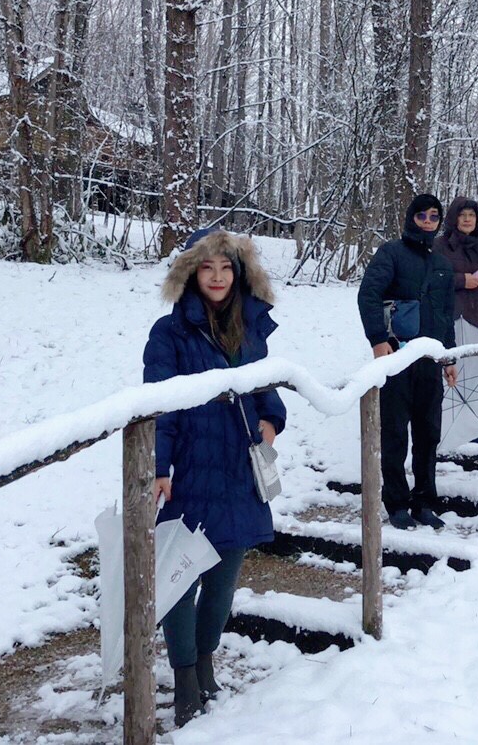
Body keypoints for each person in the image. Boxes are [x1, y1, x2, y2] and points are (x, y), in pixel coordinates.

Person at [142, 226, 287, 727]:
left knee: (223, 580)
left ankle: (205, 665)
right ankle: (184, 678)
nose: (218, 277)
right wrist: (159, 468)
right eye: (207, 267)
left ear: (239, 273)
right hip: (189, 470)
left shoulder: (250, 326)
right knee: (180, 578)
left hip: (239, 469)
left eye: (226, 267)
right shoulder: (170, 333)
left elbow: (267, 390)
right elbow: (157, 406)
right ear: (191, 273)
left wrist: (272, 421)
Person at [357, 193, 458, 531]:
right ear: (410, 218)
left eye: (434, 217)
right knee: (395, 432)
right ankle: (397, 503)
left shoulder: (442, 263)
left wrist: (449, 357)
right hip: (397, 357)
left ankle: (425, 501)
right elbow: (369, 294)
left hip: (430, 359)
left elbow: (446, 314)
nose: (427, 222)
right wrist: (378, 339)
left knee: (429, 434)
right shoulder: (391, 253)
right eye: (421, 216)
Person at [433, 197, 478, 330]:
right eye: (462, 215)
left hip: (474, 323)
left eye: (471, 215)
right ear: (454, 218)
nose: (467, 219)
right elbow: (430, 278)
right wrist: (461, 280)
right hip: (446, 322)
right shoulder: (439, 245)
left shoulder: (476, 249)